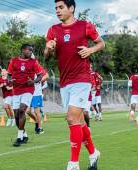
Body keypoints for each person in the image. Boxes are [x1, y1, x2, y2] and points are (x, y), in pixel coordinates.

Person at [44, 0, 105, 169]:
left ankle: (73, 163)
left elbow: (101, 43)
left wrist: (91, 50)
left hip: (82, 79)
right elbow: (48, 57)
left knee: (71, 117)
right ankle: (93, 153)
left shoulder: (85, 26)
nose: (57, 10)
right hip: (65, 81)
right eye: (56, 8)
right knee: (78, 121)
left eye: (61, 7)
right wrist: (48, 49)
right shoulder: (53, 30)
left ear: (71, 9)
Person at [8, 44, 45, 147]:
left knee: (21, 110)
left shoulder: (34, 62)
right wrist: (9, 81)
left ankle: (19, 138)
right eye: (30, 50)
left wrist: (32, 81)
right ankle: (24, 134)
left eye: (32, 51)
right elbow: (9, 75)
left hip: (28, 90)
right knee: (16, 115)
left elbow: (40, 76)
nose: (31, 52)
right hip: (16, 90)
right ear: (23, 50)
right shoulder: (14, 61)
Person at [27, 54, 49, 134]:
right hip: (29, 92)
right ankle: (37, 122)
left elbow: (47, 75)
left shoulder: (37, 66)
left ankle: (39, 128)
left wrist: (39, 80)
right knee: (28, 111)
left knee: (36, 111)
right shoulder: (26, 67)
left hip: (36, 92)